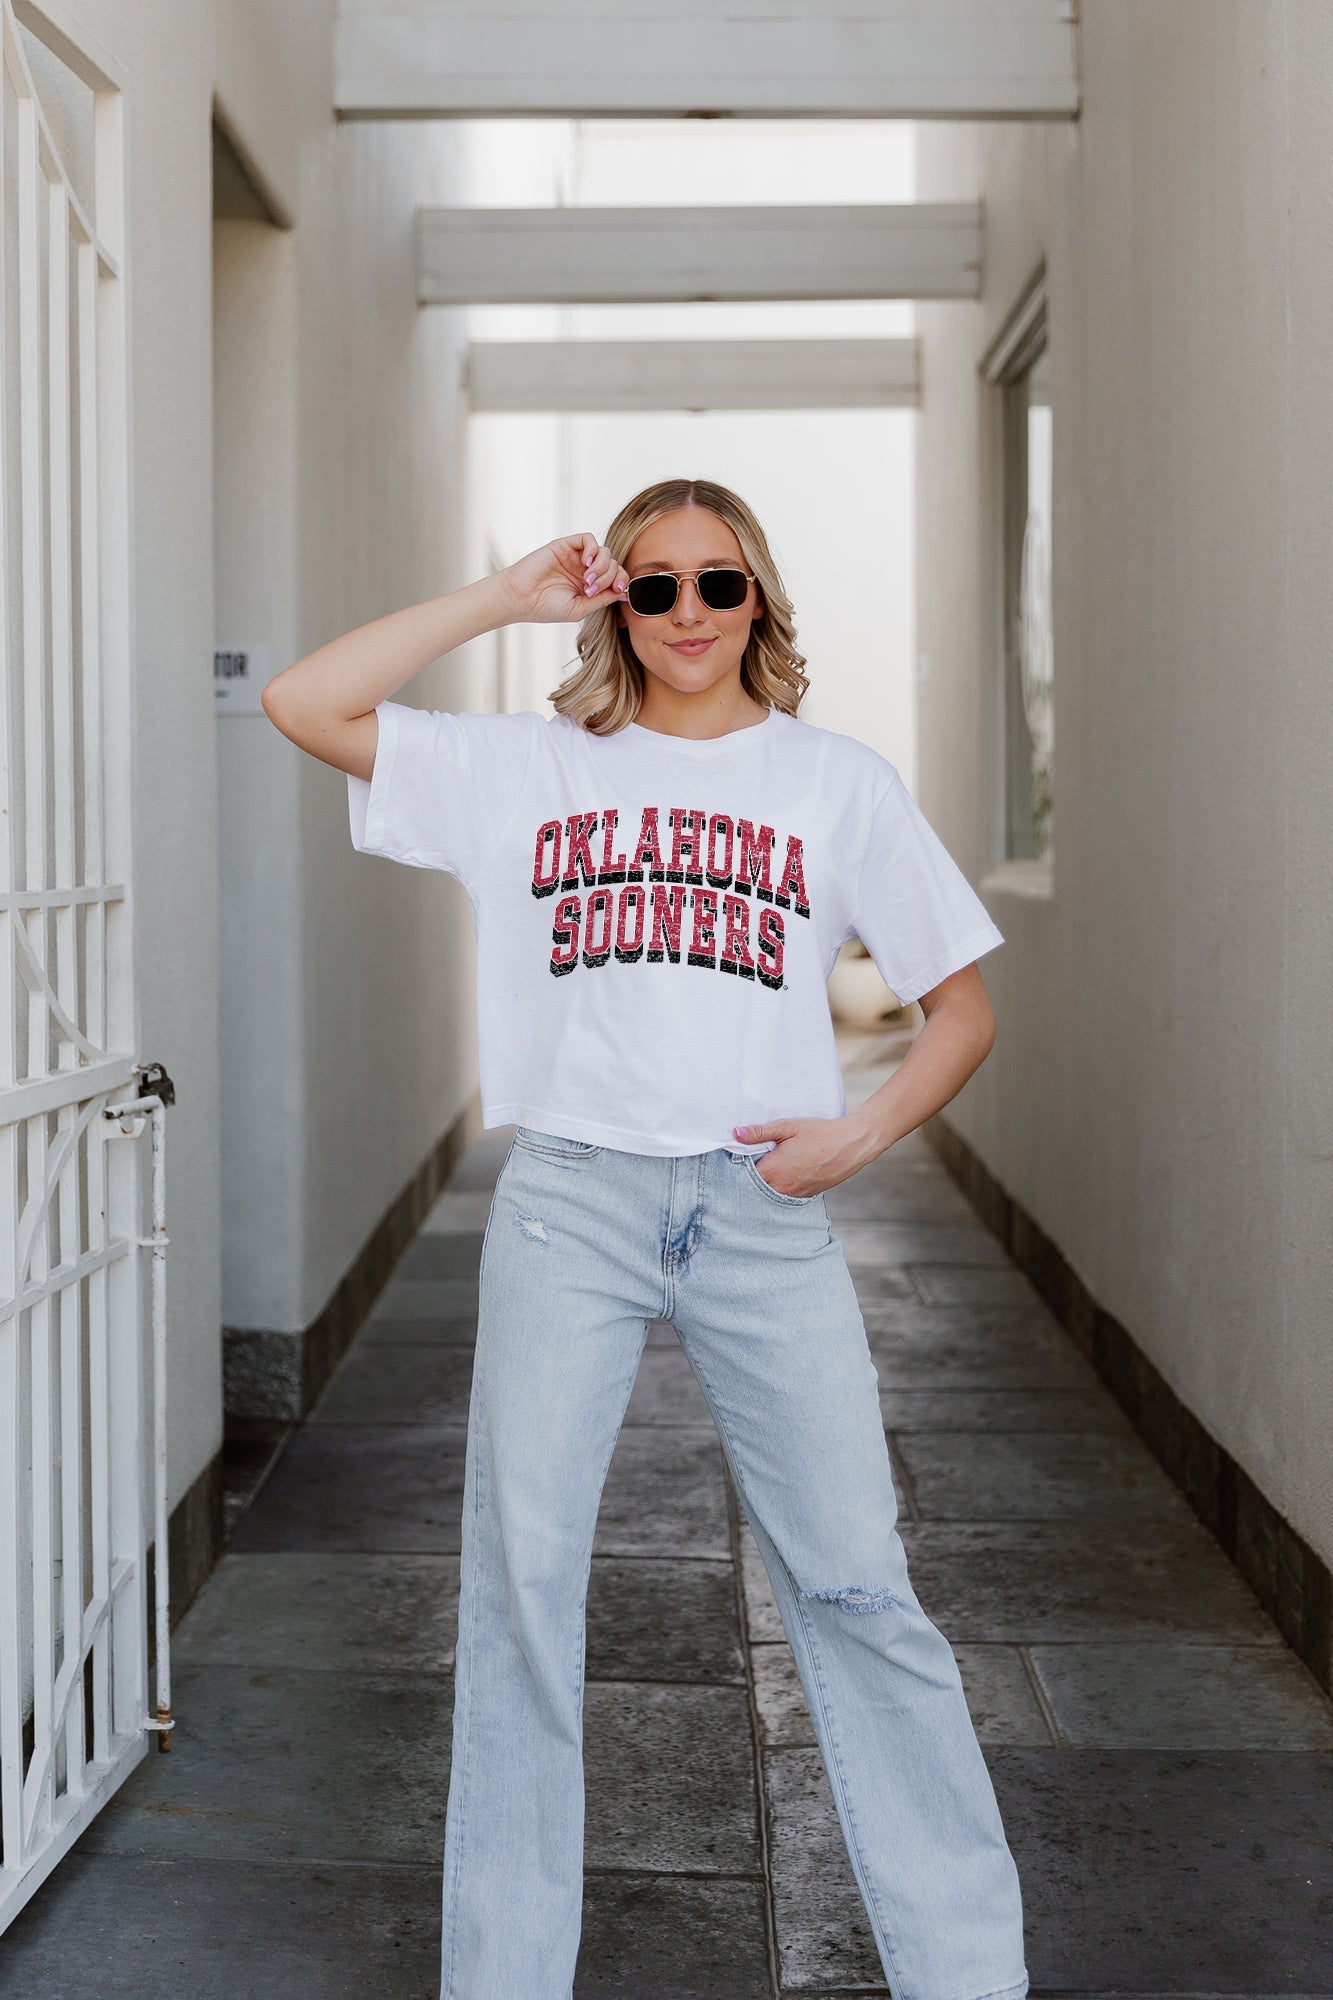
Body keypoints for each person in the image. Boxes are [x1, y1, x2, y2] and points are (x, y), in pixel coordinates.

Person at [261, 475, 1028, 2000]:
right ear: (618, 600)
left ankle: (965, 1974)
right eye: (657, 585)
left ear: (762, 605)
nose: (689, 614)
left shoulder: (834, 782)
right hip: (570, 1207)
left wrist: (855, 1138)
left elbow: (962, 1009)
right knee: (523, 1590)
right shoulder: (526, 769)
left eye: (719, 586)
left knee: (858, 1585)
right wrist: (499, 598)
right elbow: (302, 698)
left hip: (762, 1212)